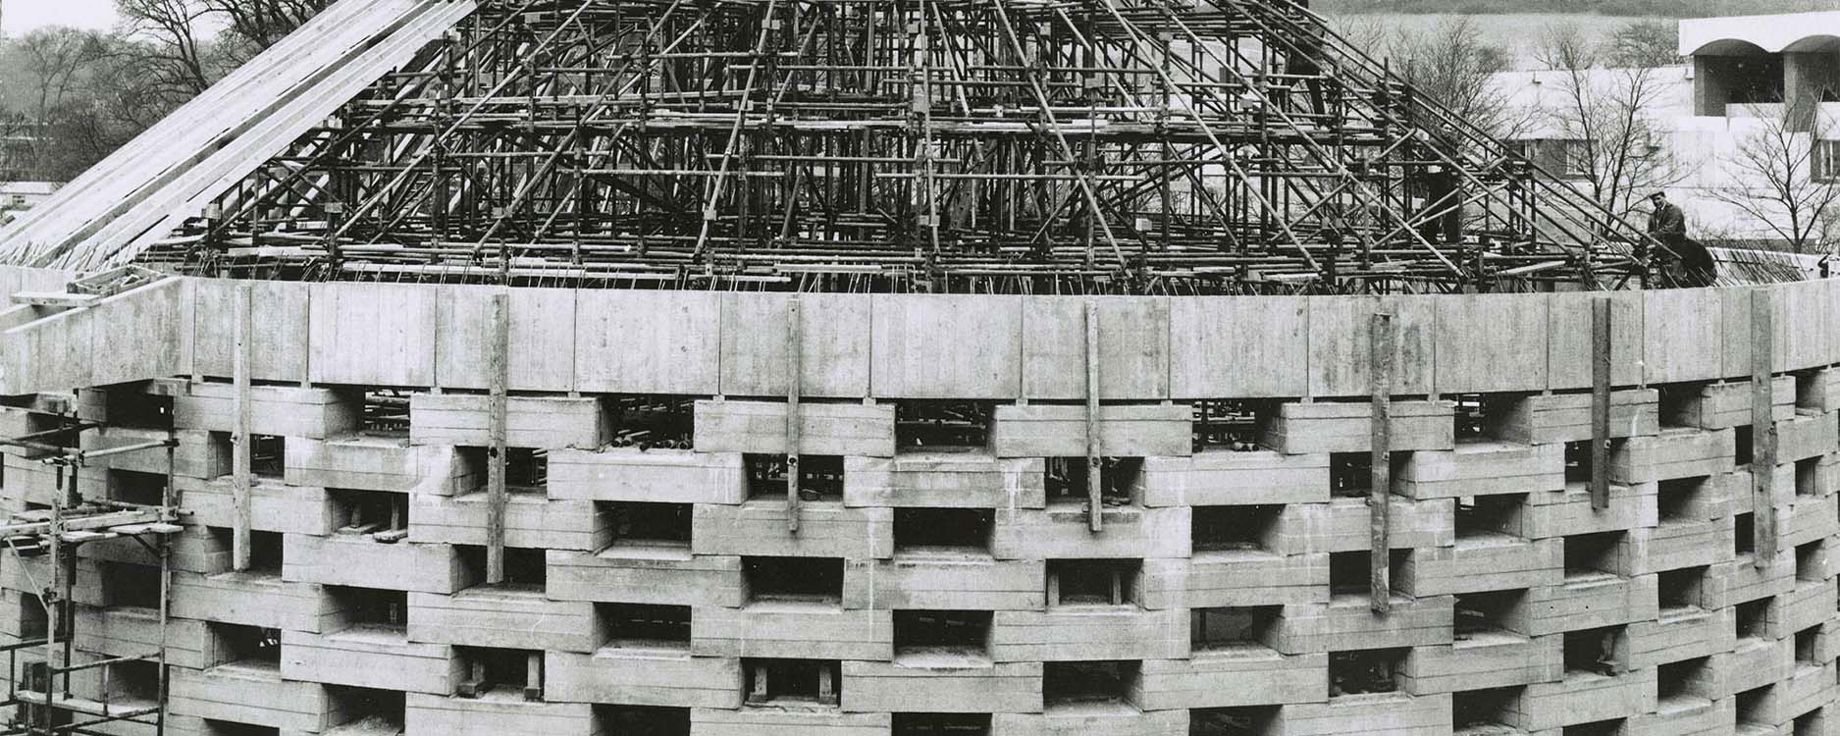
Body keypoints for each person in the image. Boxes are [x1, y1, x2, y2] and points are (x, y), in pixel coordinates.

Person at [1646, 192, 1716, 287]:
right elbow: (1650, 231)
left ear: (1664, 197)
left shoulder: (1674, 210)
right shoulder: (1653, 215)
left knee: (1675, 267)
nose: (1656, 202)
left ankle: (1678, 278)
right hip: (1662, 245)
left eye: (1658, 198)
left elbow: (1669, 229)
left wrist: (1652, 235)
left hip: (1677, 243)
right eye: (1654, 200)